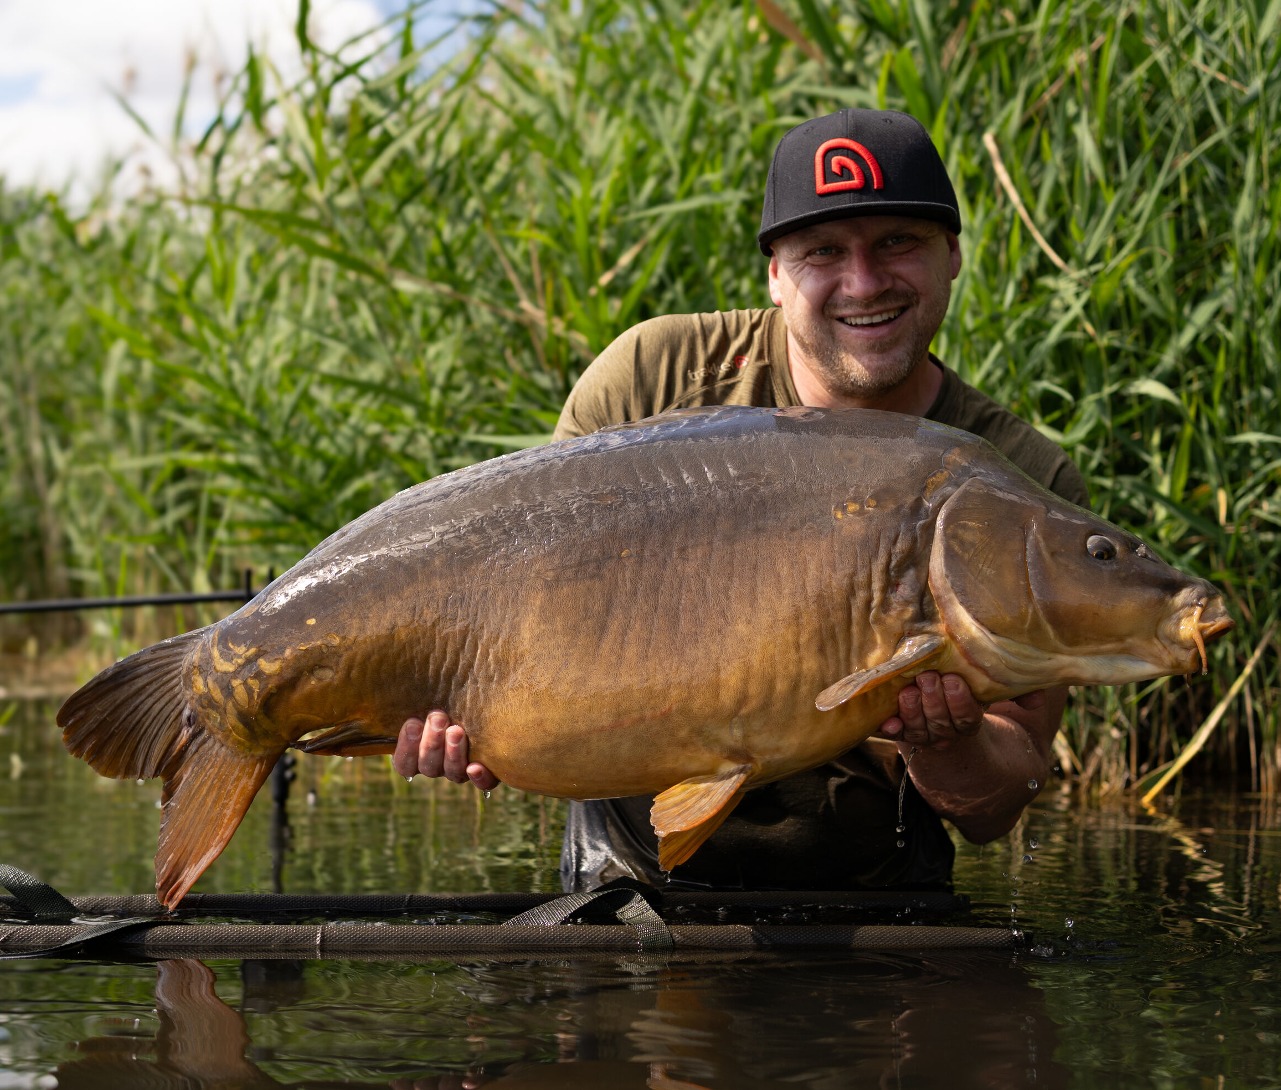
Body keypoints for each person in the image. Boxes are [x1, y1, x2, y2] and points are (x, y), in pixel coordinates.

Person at [393, 108, 1088, 891]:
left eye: (897, 241)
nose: (862, 282)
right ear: (774, 273)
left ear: (952, 254)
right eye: (823, 251)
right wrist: (474, 721)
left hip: (871, 886)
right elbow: (515, 583)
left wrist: (945, 741)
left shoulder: (1016, 482)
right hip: (628, 867)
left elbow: (996, 803)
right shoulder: (656, 378)